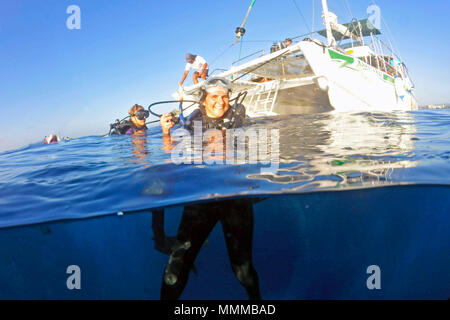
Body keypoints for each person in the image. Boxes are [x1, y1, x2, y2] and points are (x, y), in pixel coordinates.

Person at [159, 77, 261, 300]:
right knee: (175, 270)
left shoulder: (239, 118)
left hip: (236, 198)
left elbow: (260, 143)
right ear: (203, 101)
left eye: (224, 96)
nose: (221, 102)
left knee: (243, 271)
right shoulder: (192, 123)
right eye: (214, 97)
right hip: (201, 200)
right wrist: (166, 133)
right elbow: (170, 155)